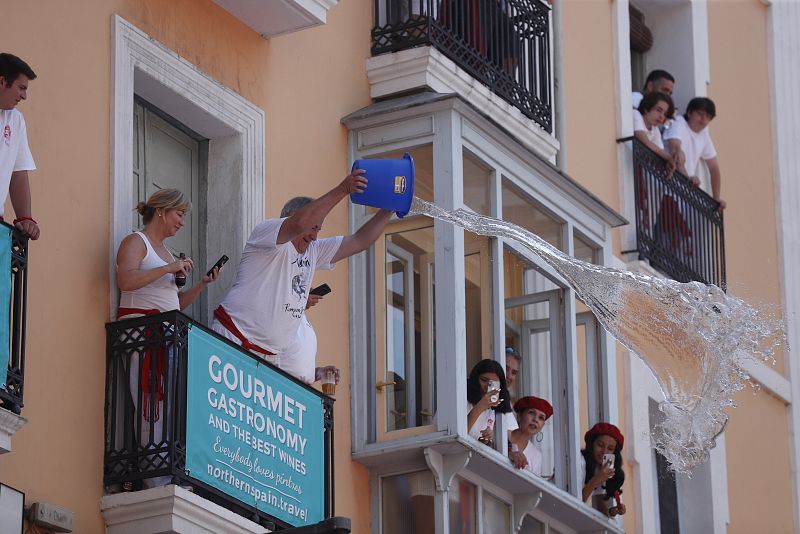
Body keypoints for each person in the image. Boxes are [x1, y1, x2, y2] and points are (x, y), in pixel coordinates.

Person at [212, 169, 393, 387]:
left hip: (267, 360)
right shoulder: (268, 234)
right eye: (312, 227)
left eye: (318, 229)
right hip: (234, 340)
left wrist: (390, 208)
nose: (315, 235)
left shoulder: (313, 251)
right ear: (291, 217)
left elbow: (360, 241)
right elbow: (298, 224)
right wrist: (343, 189)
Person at [116, 188, 221, 488]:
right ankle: (155, 477)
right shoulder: (136, 242)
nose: (182, 222)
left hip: (165, 336)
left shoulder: (167, 253)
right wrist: (169, 267)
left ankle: (166, 470)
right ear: (162, 210)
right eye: (180, 214)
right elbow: (126, 279)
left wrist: (202, 283)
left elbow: (173, 302)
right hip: (144, 334)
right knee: (151, 404)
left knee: (168, 405)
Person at [0, 53, 40, 240]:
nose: (24, 96)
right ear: (2, 81)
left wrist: (25, 218)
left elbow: (18, 173)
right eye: (21, 88)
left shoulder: (16, 120)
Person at [663, 96, 725, 210]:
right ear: (689, 112)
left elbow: (714, 168)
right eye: (700, 114)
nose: (703, 119)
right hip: (666, 189)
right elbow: (675, 149)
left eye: (708, 117)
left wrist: (716, 198)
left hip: (682, 193)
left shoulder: (704, 134)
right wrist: (688, 178)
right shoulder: (679, 122)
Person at [466, 359, 517, 446]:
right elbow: (459, 431)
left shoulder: (492, 409)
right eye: (484, 380)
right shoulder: (462, 398)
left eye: (493, 384)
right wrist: (480, 406)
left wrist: (486, 440)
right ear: (475, 378)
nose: (488, 387)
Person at [581, 422, 627, 517]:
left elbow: (601, 506)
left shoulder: (599, 468)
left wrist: (612, 511)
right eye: (600, 445)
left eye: (610, 448)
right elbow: (577, 500)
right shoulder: (579, 460)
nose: (604, 452)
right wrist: (597, 479)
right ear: (592, 444)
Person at [508, 396, 552, 476]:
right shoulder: (502, 435)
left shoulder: (536, 456)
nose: (535, 420)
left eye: (541, 418)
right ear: (519, 416)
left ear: (542, 425)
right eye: (531, 413)